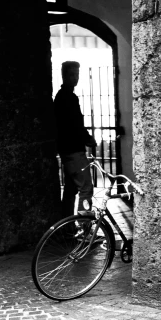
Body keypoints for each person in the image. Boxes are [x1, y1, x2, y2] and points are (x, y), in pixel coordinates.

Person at [53, 61, 97, 217]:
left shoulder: (63, 96)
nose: (75, 78)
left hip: (67, 150)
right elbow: (75, 125)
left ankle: (67, 228)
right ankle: (84, 232)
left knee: (70, 191)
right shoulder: (68, 98)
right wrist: (88, 139)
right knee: (86, 189)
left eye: (77, 74)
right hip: (74, 151)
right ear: (64, 76)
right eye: (72, 74)